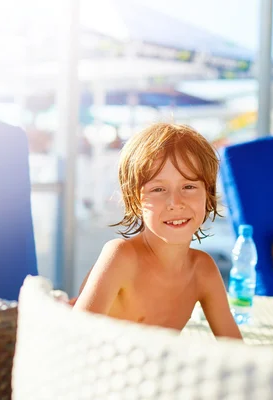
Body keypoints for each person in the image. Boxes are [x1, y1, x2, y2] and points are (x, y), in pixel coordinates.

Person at [72, 123, 242, 340]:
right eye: (158, 189)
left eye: (189, 187)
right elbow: (74, 340)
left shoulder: (203, 270)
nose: (175, 202)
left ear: (207, 196)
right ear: (135, 200)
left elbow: (234, 346)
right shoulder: (122, 257)